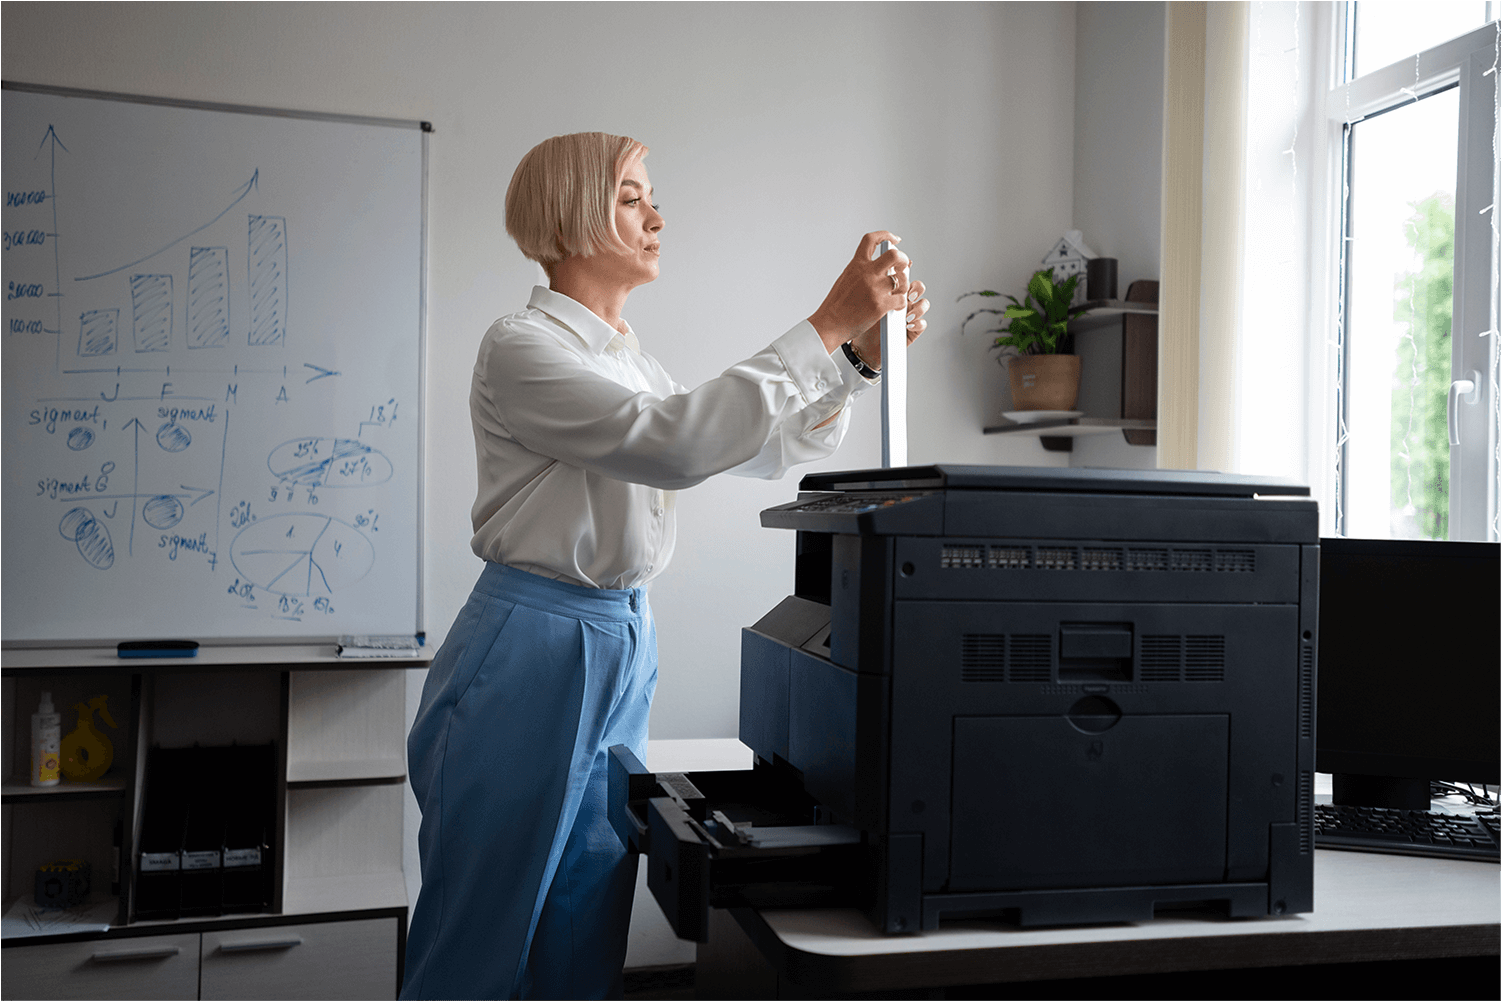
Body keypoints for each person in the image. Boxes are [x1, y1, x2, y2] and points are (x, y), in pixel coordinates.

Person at [400, 132, 929, 1001]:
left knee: (583, 914)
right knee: (480, 938)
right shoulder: (522, 346)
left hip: (619, 636)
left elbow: (754, 446)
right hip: (529, 642)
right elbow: (680, 443)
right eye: (631, 197)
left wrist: (859, 358)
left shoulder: (629, 359)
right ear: (571, 217)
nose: (656, 215)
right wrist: (828, 322)